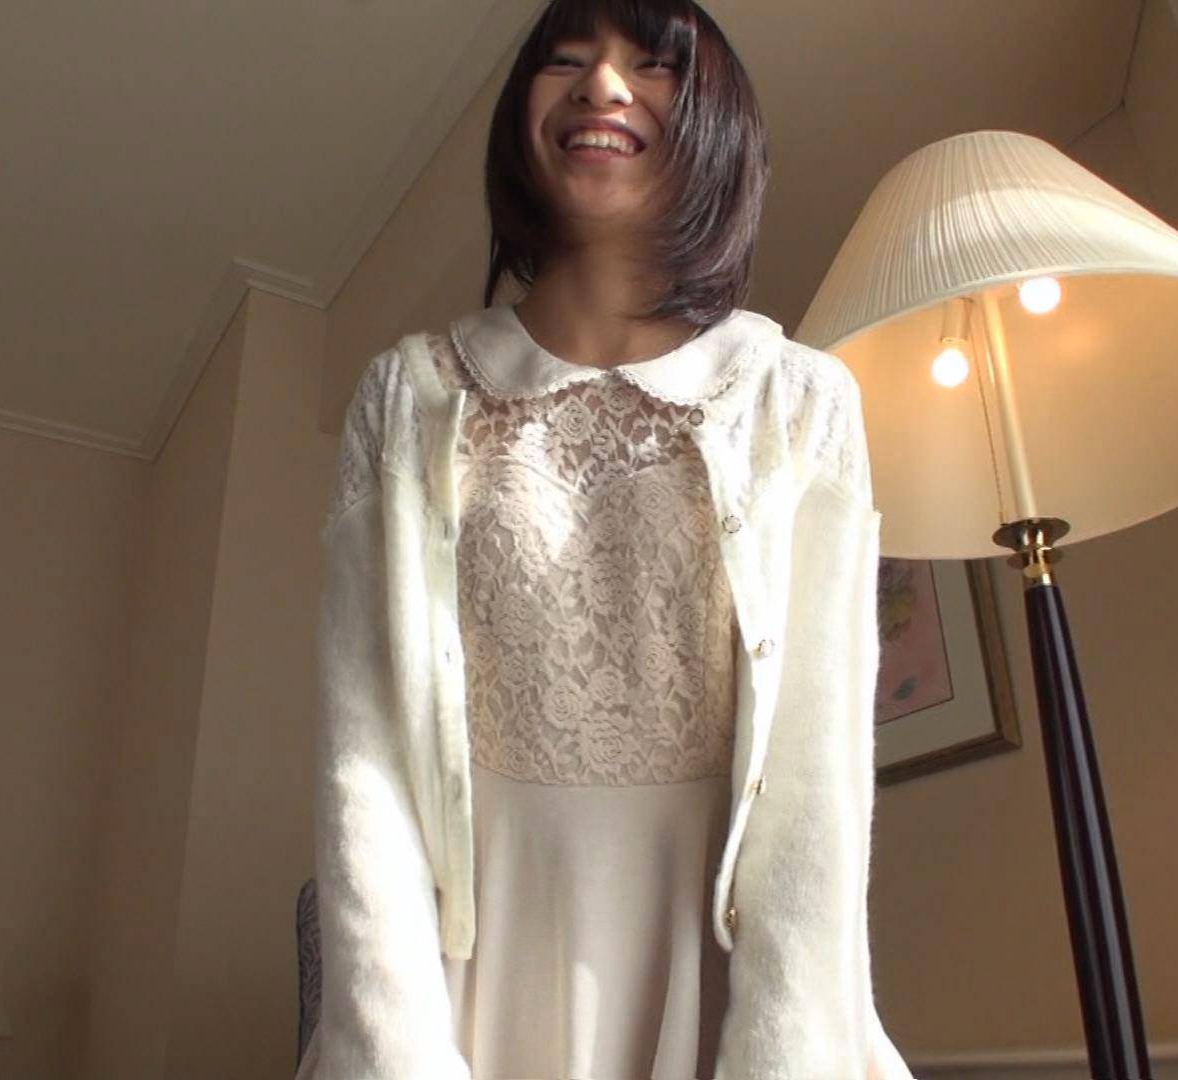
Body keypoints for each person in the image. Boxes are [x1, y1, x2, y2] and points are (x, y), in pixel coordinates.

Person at [299, 1, 917, 1077]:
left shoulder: (798, 401)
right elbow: (364, 762)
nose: (603, 85)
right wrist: (395, 1050)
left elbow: (819, 780)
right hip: (462, 989)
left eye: (652, 65)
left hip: (724, 984)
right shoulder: (405, 397)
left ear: (718, 122)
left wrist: (784, 1049)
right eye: (567, 59)